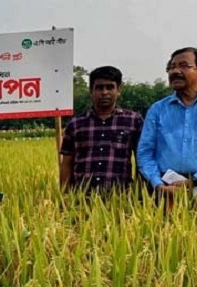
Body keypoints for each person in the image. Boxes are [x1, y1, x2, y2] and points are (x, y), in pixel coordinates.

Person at [137, 47, 197, 199]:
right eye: (171, 67)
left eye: (184, 66)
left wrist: (195, 180)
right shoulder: (157, 109)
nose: (175, 71)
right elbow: (144, 152)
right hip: (162, 187)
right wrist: (157, 183)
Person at [60, 66, 144, 194]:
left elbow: (142, 160)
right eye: (99, 88)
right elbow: (67, 163)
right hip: (81, 198)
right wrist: (64, 196)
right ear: (91, 91)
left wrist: (139, 193)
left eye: (110, 87)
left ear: (119, 90)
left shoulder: (134, 120)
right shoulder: (75, 123)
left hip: (121, 198)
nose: (104, 92)